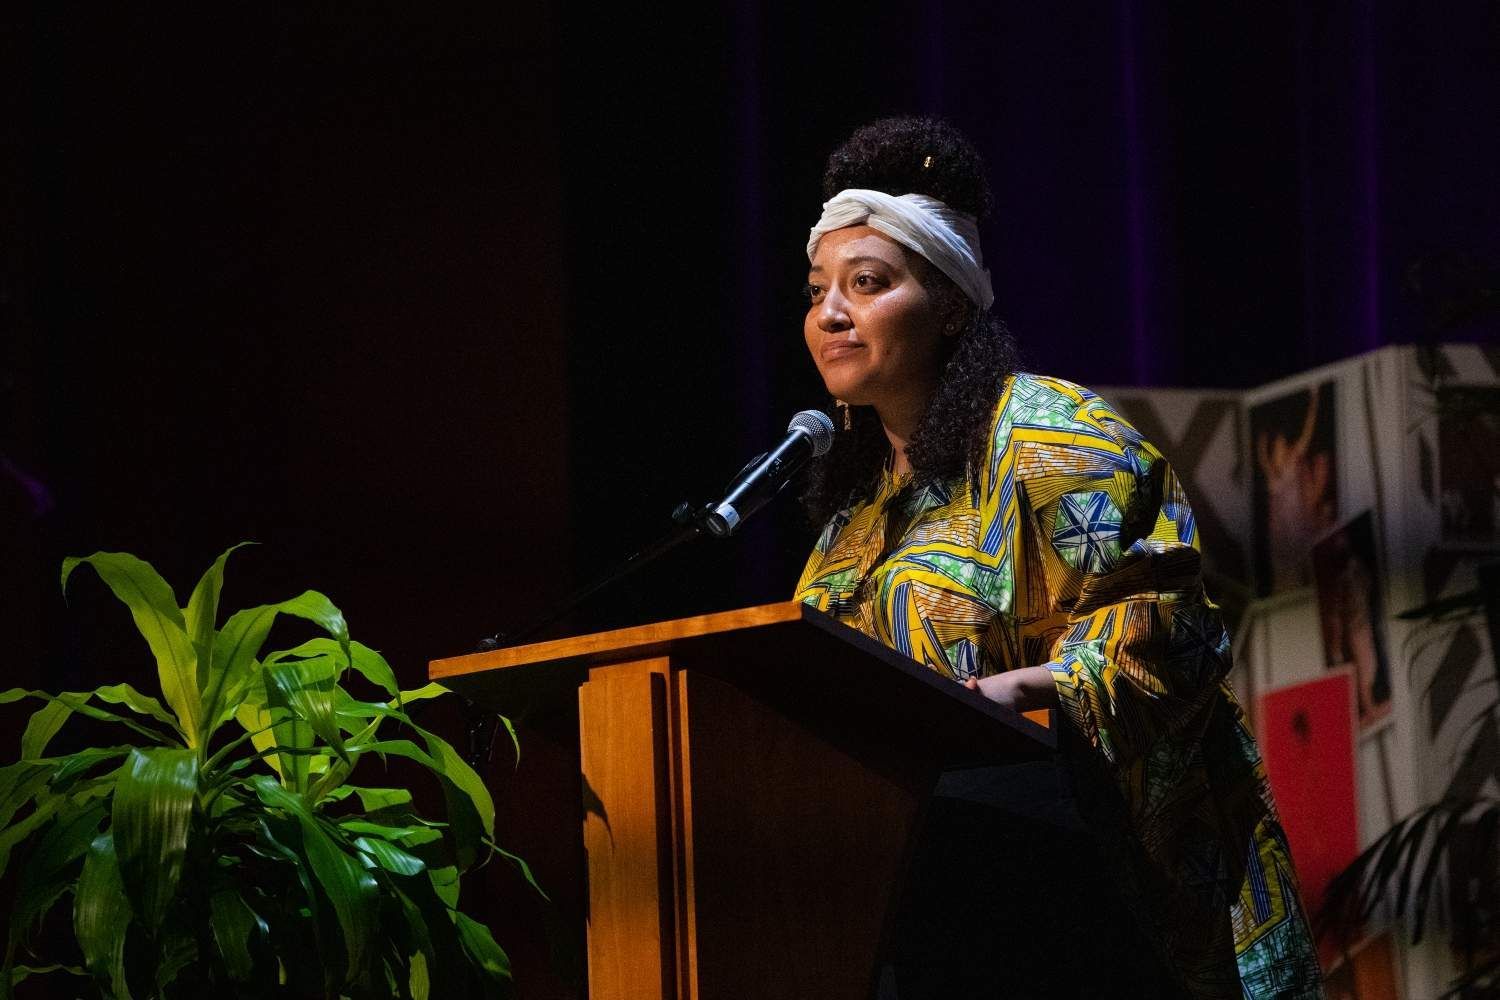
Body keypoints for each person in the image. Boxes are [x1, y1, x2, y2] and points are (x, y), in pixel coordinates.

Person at [793, 117, 1324, 999]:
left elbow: (1165, 617)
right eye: (817, 291)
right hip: (913, 882)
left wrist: (1022, 690)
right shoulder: (857, 510)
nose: (832, 313)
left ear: (953, 302)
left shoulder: (1047, 433)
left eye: (868, 283)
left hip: (1071, 881)